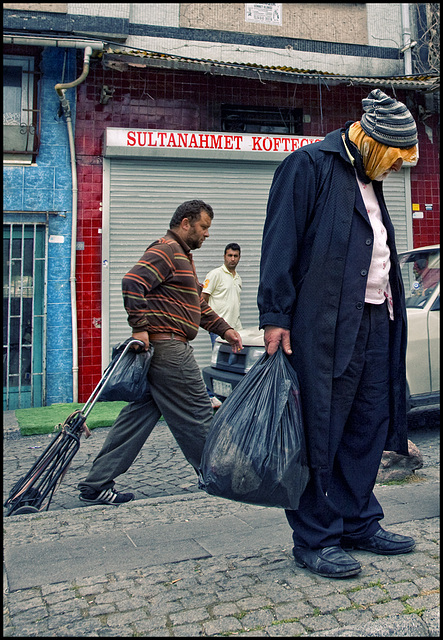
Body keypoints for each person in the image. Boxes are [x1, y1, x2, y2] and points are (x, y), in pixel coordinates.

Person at [257, 89, 418, 578]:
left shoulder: (370, 177)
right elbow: (279, 241)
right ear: (372, 142)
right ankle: (316, 537)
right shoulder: (307, 166)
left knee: (367, 423)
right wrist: (275, 316)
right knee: (320, 430)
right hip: (323, 324)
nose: (394, 170)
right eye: (393, 159)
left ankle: (358, 521)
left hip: (376, 318)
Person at [78, 200, 242, 505]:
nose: (207, 234)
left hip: (161, 351)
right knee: (198, 412)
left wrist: (225, 329)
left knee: (137, 418)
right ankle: (220, 478)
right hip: (168, 348)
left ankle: (96, 483)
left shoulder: (183, 257)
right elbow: (132, 281)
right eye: (204, 227)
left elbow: (198, 307)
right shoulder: (167, 249)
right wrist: (139, 327)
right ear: (185, 223)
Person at [202, 243, 243, 347]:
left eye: (235, 256)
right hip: (219, 328)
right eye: (230, 255)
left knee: (234, 360)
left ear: (239, 257)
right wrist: (210, 322)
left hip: (236, 328)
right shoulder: (215, 274)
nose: (232, 259)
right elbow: (203, 299)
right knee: (220, 360)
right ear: (224, 256)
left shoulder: (238, 278)